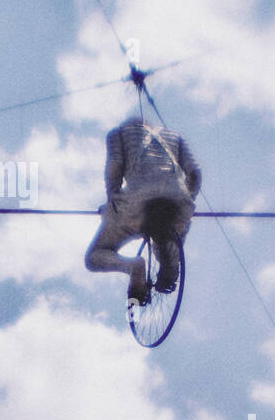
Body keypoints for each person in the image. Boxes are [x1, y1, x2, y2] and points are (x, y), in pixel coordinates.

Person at [84, 115, 201, 305]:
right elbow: (195, 173)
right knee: (171, 232)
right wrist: (187, 202)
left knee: (94, 257)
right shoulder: (176, 137)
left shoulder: (118, 134)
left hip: (137, 201)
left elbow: (115, 165)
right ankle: (169, 262)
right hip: (177, 200)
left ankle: (133, 267)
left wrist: (112, 198)